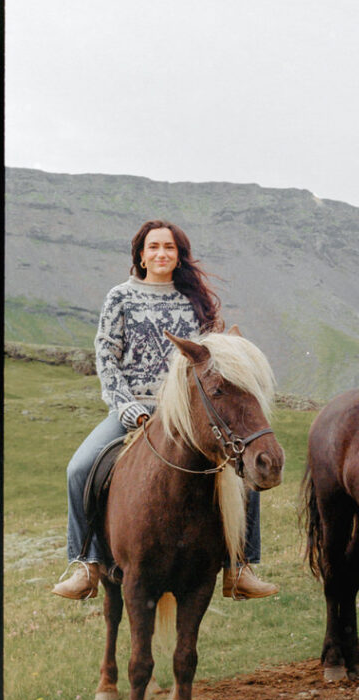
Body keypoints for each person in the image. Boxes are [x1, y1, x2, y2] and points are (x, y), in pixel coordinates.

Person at [52, 219, 279, 602]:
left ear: (179, 255)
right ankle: (86, 563)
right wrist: (126, 408)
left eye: (169, 247)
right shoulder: (120, 297)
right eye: (153, 247)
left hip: (188, 415)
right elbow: (107, 358)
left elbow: (216, 360)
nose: (161, 253)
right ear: (141, 255)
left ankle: (239, 566)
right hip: (134, 409)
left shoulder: (194, 300)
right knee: (79, 468)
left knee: (243, 468)